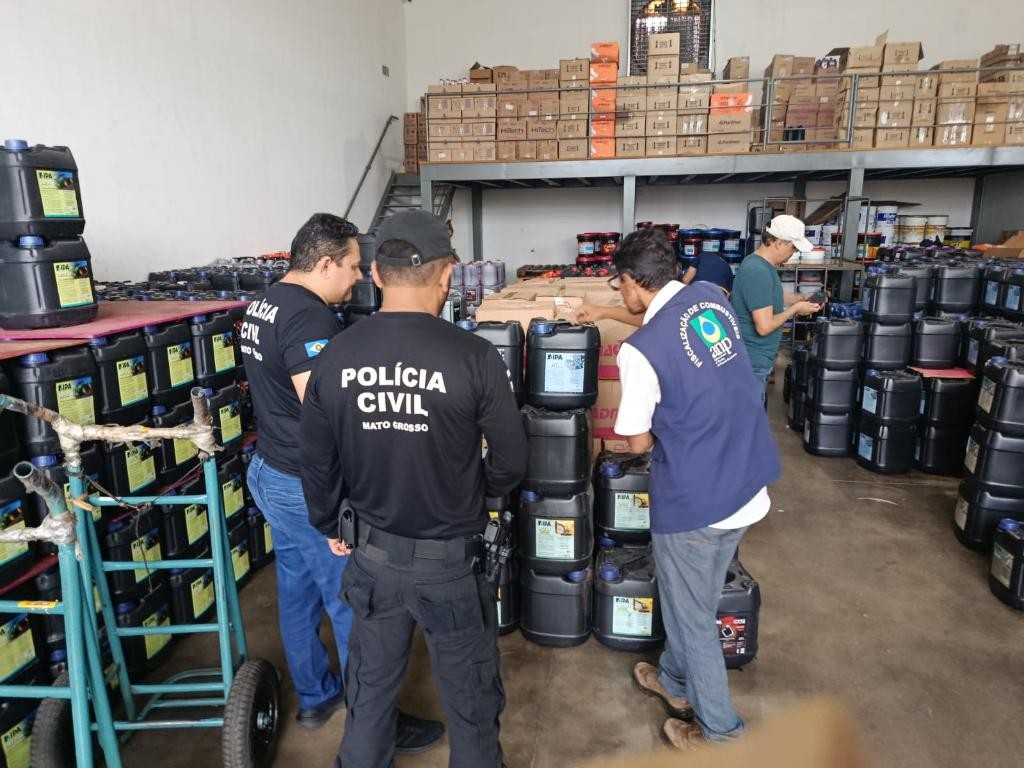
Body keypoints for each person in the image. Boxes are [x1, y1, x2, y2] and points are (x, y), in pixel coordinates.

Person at [299, 210, 528, 768]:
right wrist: (476, 491)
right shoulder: (475, 357)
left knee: (369, 697)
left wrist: (329, 521)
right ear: (447, 275)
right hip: (450, 565)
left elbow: (317, 462)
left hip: (372, 559)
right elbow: (512, 462)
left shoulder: (335, 355)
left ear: (376, 274)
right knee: (471, 703)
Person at [240, 213, 442, 752]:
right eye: (352, 266)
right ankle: (377, 723)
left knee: (297, 591)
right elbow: (324, 413)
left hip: (270, 471)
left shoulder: (265, 302)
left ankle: (315, 695)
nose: (357, 278)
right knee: (356, 601)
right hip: (307, 484)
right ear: (326, 263)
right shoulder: (308, 318)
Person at [608, 228, 781, 751]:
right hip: (748, 479)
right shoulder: (708, 296)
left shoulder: (641, 350)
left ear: (632, 282)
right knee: (691, 598)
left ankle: (722, 736)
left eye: (619, 285)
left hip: (698, 501)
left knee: (693, 617)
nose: (620, 294)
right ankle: (674, 680)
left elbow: (638, 439)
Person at [730, 215, 823, 402]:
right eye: (793, 248)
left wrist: (800, 298)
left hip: (754, 360)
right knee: (749, 416)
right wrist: (794, 309)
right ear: (779, 243)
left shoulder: (758, 264)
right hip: (752, 361)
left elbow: (764, 298)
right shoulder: (758, 271)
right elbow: (764, 327)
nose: (793, 254)